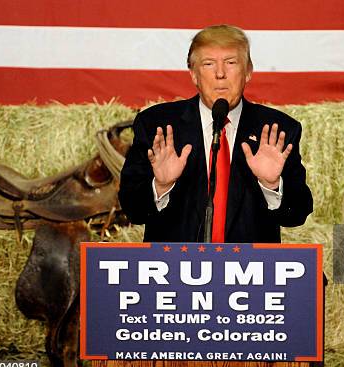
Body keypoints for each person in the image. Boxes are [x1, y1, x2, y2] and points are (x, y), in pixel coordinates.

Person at [118, 24, 313, 243]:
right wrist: (161, 187)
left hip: (251, 270)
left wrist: (272, 186)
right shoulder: (157, 125)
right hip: (173, 268)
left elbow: (296, 215)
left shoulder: (278, 129)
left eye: (230, 63)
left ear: (248, 71)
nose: (220, 74)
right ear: (193, 74)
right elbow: (133, 210)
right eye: (209, 64)